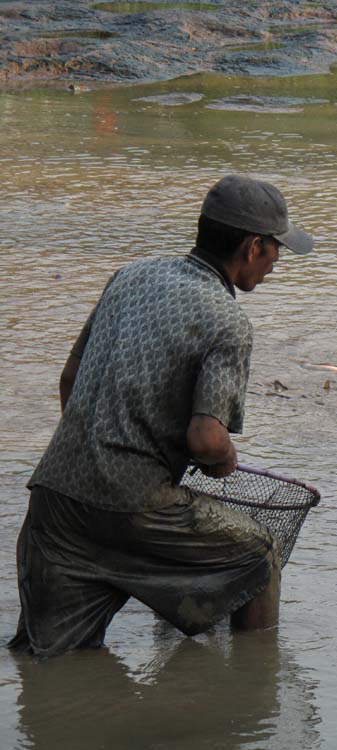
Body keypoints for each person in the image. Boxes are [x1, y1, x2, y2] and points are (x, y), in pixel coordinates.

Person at [8, 175, 314, 657]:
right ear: (254, 247)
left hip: (54, 499)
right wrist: (224, 460)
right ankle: (253, 693)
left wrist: (94, 455)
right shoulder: (227, 321)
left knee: (48, 659)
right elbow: (206, 438)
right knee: (259, 555)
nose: (278, 262)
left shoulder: (131, 276)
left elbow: (70, 379)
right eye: (278, 249)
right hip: (134, 504)